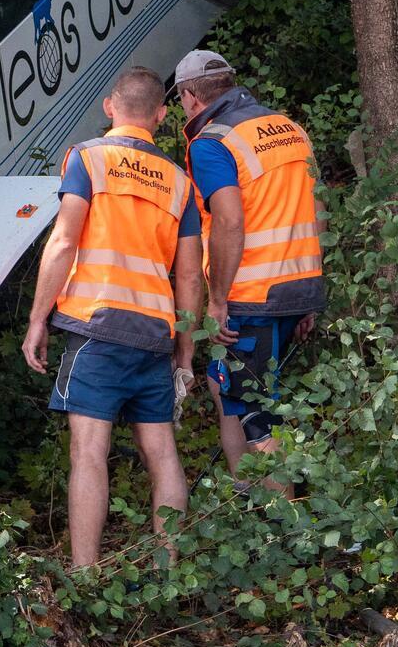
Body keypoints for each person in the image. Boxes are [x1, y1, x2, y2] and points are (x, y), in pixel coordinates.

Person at [21, 67, 203, 568]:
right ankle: (171, 570)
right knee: (162, 452)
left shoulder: (88, 158)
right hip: (154, 334)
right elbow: (190, 279)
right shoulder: (179, 182)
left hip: (97, 327)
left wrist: (39, 319)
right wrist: (184, 352)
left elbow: (62, 241)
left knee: (89, 452)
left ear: (109, 107)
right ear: (162, 116)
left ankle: (85, 577)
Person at [172, 48, 325, 493]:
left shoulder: (212, 143)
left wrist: (217, 301)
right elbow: (317, 211)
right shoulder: (289, 129)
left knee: (257, 411)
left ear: (189, 96)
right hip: (298, 285)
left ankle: (293, 526)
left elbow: (229, 221)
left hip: (253, 294)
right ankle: (249, 506)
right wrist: (307, 291)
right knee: (230, 393)